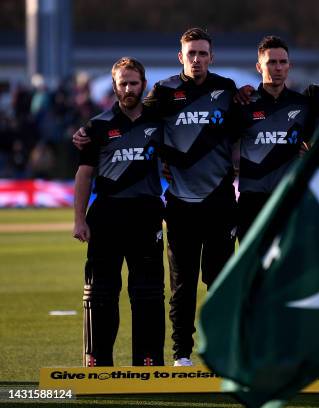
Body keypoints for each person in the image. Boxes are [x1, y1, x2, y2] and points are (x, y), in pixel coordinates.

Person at [74, 28, 239, 367]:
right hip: (174, 205)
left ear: (211, 56)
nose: (196, 59)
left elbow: (242, 131)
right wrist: (85, 131)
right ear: (181, 57)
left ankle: (220, 351)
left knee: (219, 283)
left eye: (202, 53)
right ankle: (179, 355)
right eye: (190, 53)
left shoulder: (228, 90)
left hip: (219, 202)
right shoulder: (162, 94)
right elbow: (126, 123)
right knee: (177, 286)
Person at [73, 57, 165, 367]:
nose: (128, 88)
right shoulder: (97, 126)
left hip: (147, 214)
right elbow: (84, 175)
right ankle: (97, 361)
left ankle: (149, 360)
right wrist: (79, 220)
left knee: (148, 294)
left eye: (134, 83)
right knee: (100, 293)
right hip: (107, 216)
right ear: (114, 86)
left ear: (144, 84)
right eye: (123, 83)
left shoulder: (159, 121)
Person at [234, 36, 314, 240]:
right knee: (251, 268)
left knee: (288, 267)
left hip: (288, 198)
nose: (278, 68)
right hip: (252, 201)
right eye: (271, 62)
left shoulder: (304, 104)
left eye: (282, 62)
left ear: (289, 66)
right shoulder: (243, 103)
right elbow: (219, 143)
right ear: (259, 67)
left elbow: (318, 142)